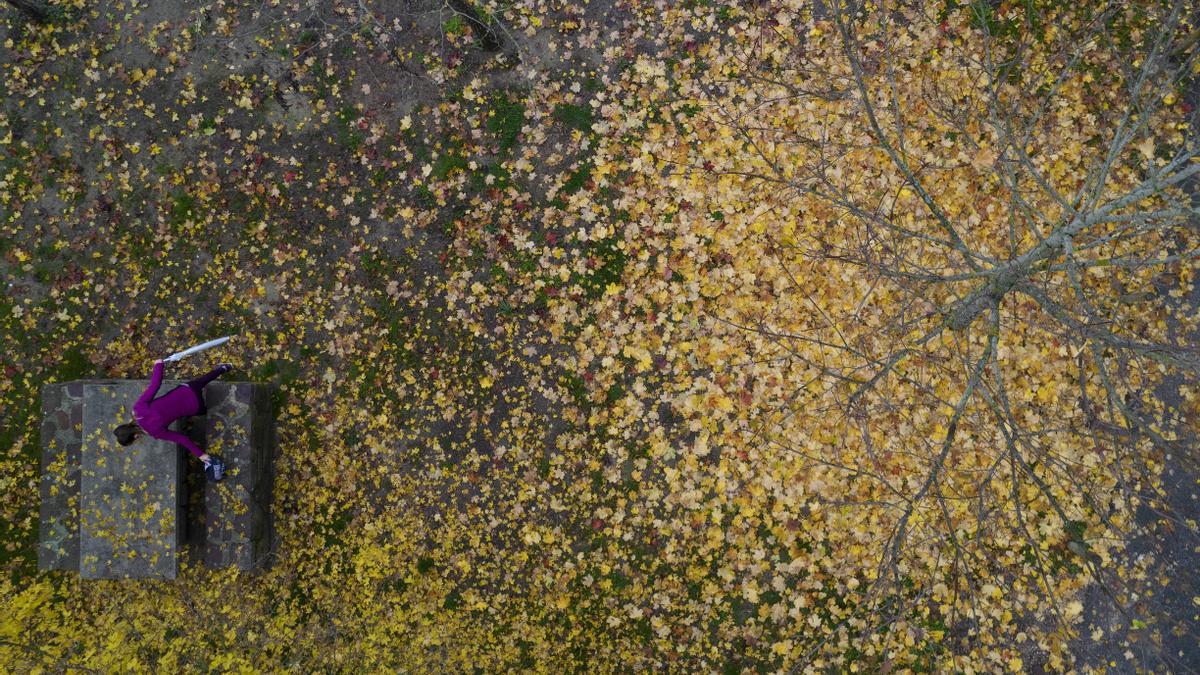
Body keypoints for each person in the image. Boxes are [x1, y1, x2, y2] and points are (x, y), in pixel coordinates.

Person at [112, 359, 233, 482]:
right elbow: (155, 384)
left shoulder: (155, 433)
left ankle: (209, 402)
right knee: (201, 382)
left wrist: (203, 456)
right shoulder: (138, 408)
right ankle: (225, 367)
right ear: (127, 425)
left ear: (136, 436)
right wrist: (158, 365)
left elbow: (182, 439)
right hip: (187, 389)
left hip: (196, 406)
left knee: (201, 411)